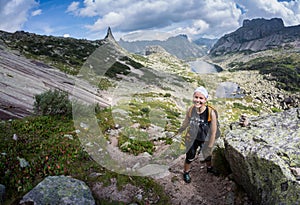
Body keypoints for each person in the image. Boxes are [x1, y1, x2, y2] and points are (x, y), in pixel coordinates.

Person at [175, 86, 219, 183]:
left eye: (201, 98)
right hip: (192, 138)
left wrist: (211, 145)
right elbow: (186, 122)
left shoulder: (210, 113)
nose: (197, 100)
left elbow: (213, 131)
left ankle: (209, 167)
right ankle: (186, 172)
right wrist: (181, 130)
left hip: (205, 139)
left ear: (205, 100)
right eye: (196, 97)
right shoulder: (191, 110)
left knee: (207, 155)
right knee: (190, 156)